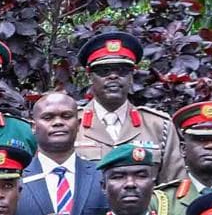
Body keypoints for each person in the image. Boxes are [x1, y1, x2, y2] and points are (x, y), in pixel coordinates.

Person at [69, 32, 181, 174]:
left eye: (122, 70)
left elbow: (175, 185)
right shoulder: (71, 125)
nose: (113, 76)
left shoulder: (158, 126)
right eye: (104, 71)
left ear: (132, 76)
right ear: (89, 76)